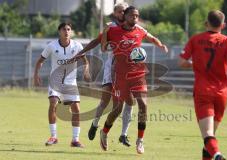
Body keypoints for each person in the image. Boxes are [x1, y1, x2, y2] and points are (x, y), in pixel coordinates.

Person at [99, 6, 168, 154]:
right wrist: (104, 32)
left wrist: (160, 44)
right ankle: (104, 131)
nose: (135, 19)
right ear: (125, 15)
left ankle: (140, 140)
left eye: (137, 16)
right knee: (117, 110)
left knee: (143, 105)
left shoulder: (139, 30)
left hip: (138, 75)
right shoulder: (114, 30)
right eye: (132, 16)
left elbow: (152, 38)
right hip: (120, 76)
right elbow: (103, 48)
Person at [178, 10, 227, 160]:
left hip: (203, 92)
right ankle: (214, 154)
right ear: (223, 25)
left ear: (206, 23)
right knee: (210, 138)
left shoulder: (195, 39)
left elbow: (182, 62)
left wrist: (195, 63)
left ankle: (218, 156)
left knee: (208, 135)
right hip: (221, 92)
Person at [73, 2, 134, 147]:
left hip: (127, 71)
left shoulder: (134, 28)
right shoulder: (111, 28)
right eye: (119, 11)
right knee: (105, 101)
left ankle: (123, 134)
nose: (122, 14)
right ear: (115, 13)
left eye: (124, 11)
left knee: (128, 102)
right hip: (111, 69)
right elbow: (96, 41)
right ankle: (95, 125)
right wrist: (82, 52)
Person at [34, 22, 90, 147]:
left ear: (71, 32)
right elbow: (40, 61)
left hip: (71, 82)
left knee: (76, 109)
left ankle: (75, 140)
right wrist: (36, 75)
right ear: (59, 31)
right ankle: (53, 137)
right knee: (53, 103)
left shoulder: (77, 46)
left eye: (69, 29)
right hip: (56, 81)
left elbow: (86, 62)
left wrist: (86, 72)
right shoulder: (52, 46)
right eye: (64, 29)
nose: (66, 32)